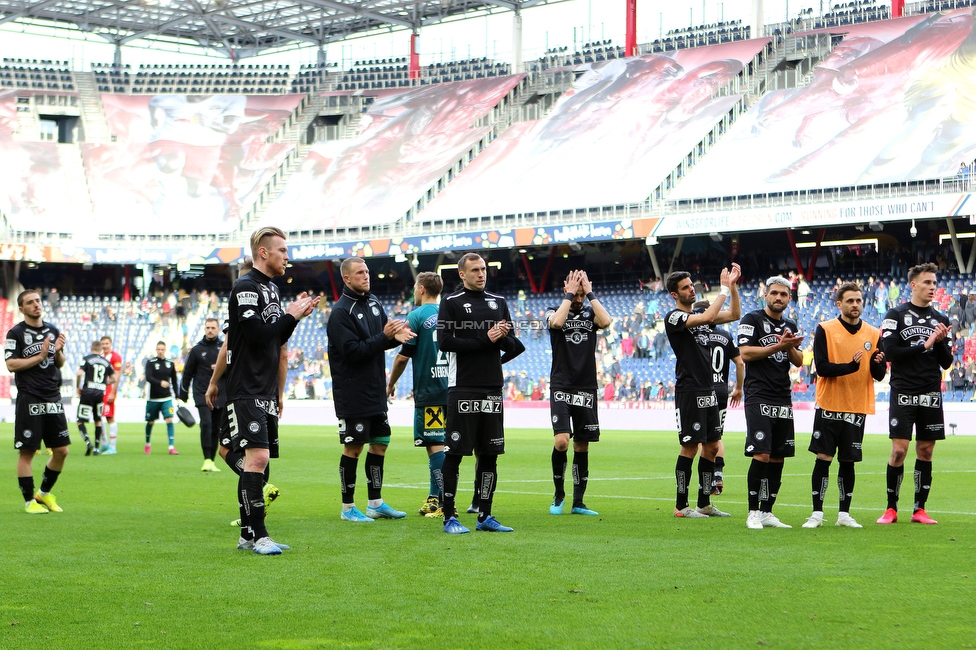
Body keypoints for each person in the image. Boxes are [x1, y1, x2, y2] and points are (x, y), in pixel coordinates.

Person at [226, 227, 318, 554]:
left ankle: (247, 534)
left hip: (264, 389)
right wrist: (290, 315)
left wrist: (294, 317)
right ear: (263, 253)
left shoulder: (273, 289)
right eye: (281, 250)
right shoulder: (246, 286)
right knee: (257, 458)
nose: (287, 256)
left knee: (259, 463)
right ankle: (261, 535)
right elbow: (254, 335)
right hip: (245, 387)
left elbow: (276, 339)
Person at [438, 253, 525, 534]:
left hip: (491, 389)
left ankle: (485, 515)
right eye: (474, 270)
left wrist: (503, 338)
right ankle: (449, 516)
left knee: (490, 454)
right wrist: (484, 339)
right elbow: (445, 342)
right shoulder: (450, 303)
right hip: (462, 387)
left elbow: (513, 344)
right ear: (462, 274)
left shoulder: (498, 302)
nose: (481, 274)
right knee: (454, 453)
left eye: (484, 269)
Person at [328, 257, 414, 523]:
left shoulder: (375, 303)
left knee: (380, 444)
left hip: (375, 389)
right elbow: (353, 352)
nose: (366, 276)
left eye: (367, 271)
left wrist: (394, 338)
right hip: (352, 391)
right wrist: (385, 337)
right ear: (347, 278)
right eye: (360, 272)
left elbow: (378, 343)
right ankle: (347, 507)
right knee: (353, 448)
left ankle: (375, 503)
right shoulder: (341, 313)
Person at [801, 283, 886, 529]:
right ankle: (817, 513)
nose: (855, 304)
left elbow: (878, 374)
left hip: (857, 406)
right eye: (850, 301)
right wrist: (851, 366)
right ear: (839, 304)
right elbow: (822, 368)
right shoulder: (825, 329)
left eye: (858, 300)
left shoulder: (873, 333)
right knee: (824, 457)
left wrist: (879, 364)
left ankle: (844, 514)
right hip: (830, 404)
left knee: (848, 461)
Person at [664, 264, 741, 519]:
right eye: (685, 288)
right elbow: (708, 318)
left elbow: (734, 314)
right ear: (675, 294)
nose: (691, 290)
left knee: (710, 447)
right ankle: (681, 505)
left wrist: (734, 287)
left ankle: (704, 503)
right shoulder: (674, 318)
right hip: (689, 390)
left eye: (691, 286)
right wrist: (723, 290)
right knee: (690, 447)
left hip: (709, 390)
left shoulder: (699, 315)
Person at [877, 263, 951, 525]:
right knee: (899, 450)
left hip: (930, 391)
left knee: (926, 450)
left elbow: (946, 362)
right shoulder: (895, 314)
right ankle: (891, 508)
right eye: (928, 282)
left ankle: (919, 509)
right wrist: (925, 345)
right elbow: (891, 352)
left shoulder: (941, 319)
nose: (933, 287)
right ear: (913, 285)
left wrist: (939, 344)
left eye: (934, 283)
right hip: (903, 390)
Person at [738, 276, 804, 530]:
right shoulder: (751, 320)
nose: (779, 298)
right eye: (774, 293)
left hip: (782, 396)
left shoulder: (790, 323)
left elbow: (798, 361)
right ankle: (753, 511)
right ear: (765, 295)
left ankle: (768, 511)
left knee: (778, 456)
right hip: (758, 395)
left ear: (789, 298)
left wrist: (789, 347)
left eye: (784, 294)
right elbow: (745, 353)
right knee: (762, 453)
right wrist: (780, 345)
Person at [545, 270, 612, 516]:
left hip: (586, 386)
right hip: (561, 384)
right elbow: (557, 324)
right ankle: (559, 494)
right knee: (562, 441)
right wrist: (570, 294)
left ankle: (578, 502)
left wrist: (590, 293)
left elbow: (606, 322)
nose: (579, 299)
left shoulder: (591, 311)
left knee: (582, 445)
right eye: (577, 294)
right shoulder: (554, 309)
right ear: (566, 288)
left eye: (583, 294)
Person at [387, 272, 450, 518]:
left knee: (435, 445)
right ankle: (443, 497)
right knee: (446, 446)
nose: (414, 292)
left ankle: (441, 500)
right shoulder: (449, 312)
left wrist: (391, 383)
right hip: (453, 389)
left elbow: (403, 356)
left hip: (430, 390)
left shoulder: (416, 316)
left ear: (422, 289)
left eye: (415, 288)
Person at [7, 290, 69, 514]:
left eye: (38, 301)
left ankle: (42, 494)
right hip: (30, 396)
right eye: (30, 303)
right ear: (22, 309)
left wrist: (58, 351)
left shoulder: (52, 330)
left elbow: (59, 363)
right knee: (28, 451)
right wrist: (40, 357)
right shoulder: (15, 333)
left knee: (61, 450)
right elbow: (11, 365)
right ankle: (28, 502)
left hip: (52, 395)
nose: (36, 305)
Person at [691, 299, 744, 495]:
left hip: (701, 389)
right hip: (721, 390)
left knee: (697, 439)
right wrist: (739, 388)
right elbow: (740, 364)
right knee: (716, 436)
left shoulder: (695, 336)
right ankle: (718, 475)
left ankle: (703, 484)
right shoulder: (726, 335)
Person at [179, 317, 224, 472]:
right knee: (206, 423)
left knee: (217, 428)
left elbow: (234, 368)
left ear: (218, 329)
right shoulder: (197, 350)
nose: (210, 330)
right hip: (201, 392)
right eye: (208, 328)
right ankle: (206, 459)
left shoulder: (225, 347)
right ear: (204, 329)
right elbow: (187, 373)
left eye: (213, 327)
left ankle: (212, 460)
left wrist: (219, 368)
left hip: (221, 393)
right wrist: (182, 393)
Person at [76, 340, 115, 456]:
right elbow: (113, 379)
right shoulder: (106, 362)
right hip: (99, 394)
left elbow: (79, 373)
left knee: (80, 420)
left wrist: (78, 386)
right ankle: (97, 448)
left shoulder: (87, 359)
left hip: (87, 393)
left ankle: (88, 442)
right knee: (98, 420)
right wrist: (104, 383)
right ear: (101, 350)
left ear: (91, 348)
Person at [144, 341, 179, 455]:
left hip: (166, 398)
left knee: (169, 419)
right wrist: (160, 383)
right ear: (156, 350)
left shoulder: (170, 363)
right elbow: (148, 377)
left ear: (165, 350)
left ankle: (171, 447)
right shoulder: (151, 362)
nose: (160, 351)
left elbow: (174, 380)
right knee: (150, 422)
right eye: (158, 349)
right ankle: (148, 444)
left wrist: (178, 396)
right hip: (153, 399)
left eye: (162, 349)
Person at [100, 335, 123, 453]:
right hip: (100, 390)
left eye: (106, 344)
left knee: (109, 417)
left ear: (111, 344)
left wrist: (113, 393)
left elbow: (117, 376)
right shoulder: (100, 356)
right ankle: (104, 443)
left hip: (109, 390)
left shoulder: (115, 357)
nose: (104, 346)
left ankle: (113, 447)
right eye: (103, 344)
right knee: (99, 416)